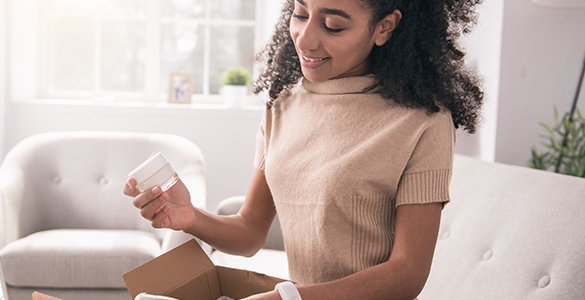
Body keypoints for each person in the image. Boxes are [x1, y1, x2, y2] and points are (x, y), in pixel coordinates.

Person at [124, 0, 483, 299]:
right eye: (300, 13)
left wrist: (287, 298)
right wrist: (192, 217)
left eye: (332, 26)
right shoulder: (282, 106)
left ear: (385, 27)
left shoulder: (423, 122)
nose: (305, 39)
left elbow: (407, 273)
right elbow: (250, 230)